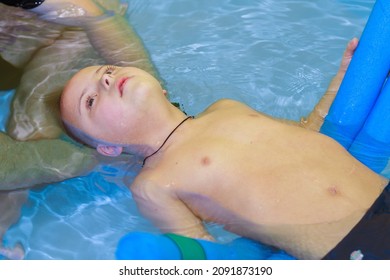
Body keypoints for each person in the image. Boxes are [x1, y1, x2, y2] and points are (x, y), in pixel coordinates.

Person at [60, 37, 390, 260]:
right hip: (349, 245)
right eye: (89, 101)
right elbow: (206, 255)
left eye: (108, 71)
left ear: (158, 86)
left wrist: (345, 75)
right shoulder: (153, 185)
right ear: (108, 148)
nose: (105, 81)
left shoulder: (226, 107)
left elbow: (311, 130)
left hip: (380, 193)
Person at [0, 0, 159, 259]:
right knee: (22, 147)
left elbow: (96, 17)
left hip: (49, 34)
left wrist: (151, 96)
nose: (108, 79)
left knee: (33, 121)